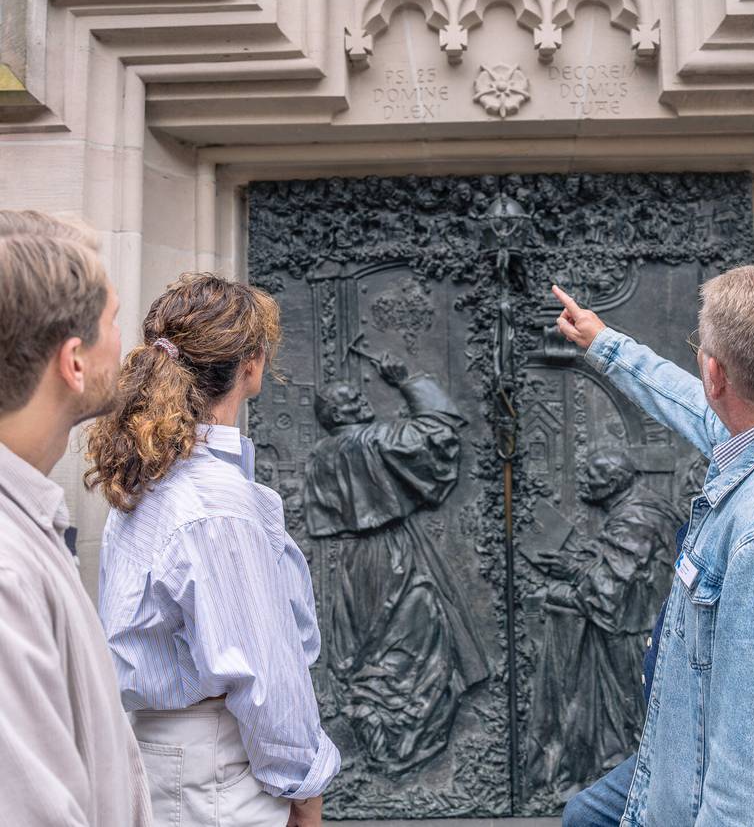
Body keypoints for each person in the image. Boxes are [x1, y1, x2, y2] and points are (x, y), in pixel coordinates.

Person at [553, 266, 754, 827]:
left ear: (715, 372)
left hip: (712, 782)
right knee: (586, 815)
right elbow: (694, 406)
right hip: (681, 742)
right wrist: (605, 345)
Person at [86, 273, 339, 827]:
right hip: (219, 771)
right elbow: (263, 674)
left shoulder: (144, 478)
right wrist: (306, 794)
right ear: (250, 365)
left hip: (168, 758)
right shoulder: (215, 500)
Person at [0, 209, 152, 826]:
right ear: (74, 362)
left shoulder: (32, 526)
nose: (127, 342)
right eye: (115, 320)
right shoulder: (6, 572)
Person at [303, 351, 488, 772]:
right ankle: (405, 744)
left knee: (373, 647)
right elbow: (439, 434)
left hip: (350, 563)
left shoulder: (321, 455)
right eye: (354, 398)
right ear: (341, 411)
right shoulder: (374, 441)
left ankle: (383, 740)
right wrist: (407, 379)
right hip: (393, 555)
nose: (365, 402)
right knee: (415, 640)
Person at [525, 447, 682, 797]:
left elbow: (615, 581)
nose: (583, 484)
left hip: (633, 629)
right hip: (630, 624)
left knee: (630, 707)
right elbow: (615, 558)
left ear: (612, 483)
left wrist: (571, 568)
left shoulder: (636, 516)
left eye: (591, 479)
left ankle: (640, 788)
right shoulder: (630, 509)